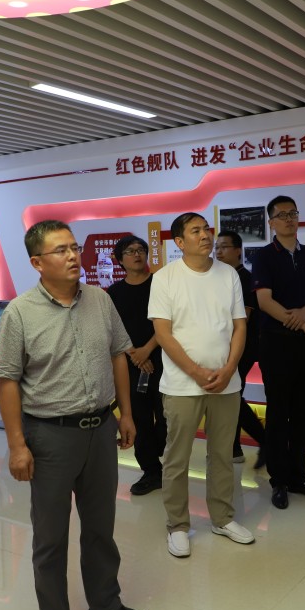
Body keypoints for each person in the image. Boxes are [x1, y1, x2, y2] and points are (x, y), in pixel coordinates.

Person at [0, 220, 150, 610]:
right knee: (51, 535)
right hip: (50, 436)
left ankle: (105, 605)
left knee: (100, 527)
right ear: (37, 262)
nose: (73, 256)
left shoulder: (100, 300)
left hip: (100, 430)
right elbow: (7, 380)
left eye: (75, 247)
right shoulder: (20, 312)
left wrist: (126, 413)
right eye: (61, 250)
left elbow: (118, 355)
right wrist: (17, 446)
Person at [148, 212, 254, 558]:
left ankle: (222, 518)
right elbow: (163, 333)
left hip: (226, 382)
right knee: (176, 458)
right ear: (180, 242)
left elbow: (240, 326)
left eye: (206, 229)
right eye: (195, 231)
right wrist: (195, 371)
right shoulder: (165, 278)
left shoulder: (229, 274)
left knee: (222, 455)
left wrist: (229, 368)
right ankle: (178, 525)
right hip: (181, 385)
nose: (205, 235)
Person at [251, 195, 305, 510]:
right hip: (276, 342)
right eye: (281, 215)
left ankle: (299, 476)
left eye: (293, 213)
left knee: (302, 414)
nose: (288, 219)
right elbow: (264, 301)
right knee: (278, 413)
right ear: (271, 222)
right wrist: (301, 323)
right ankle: (279, 480)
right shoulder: (264, 256)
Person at [107, 234, 167, 496]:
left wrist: (147, 350)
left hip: (163, 359)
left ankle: (167, 462)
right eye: (130, 251)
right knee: (139, 419)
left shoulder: (160, 284)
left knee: (167, 418)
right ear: (120, 259)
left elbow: (169, 322)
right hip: (130, 365)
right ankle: (151, 471)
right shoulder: (114, 292)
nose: (137, 254)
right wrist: (135, 355)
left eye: (141, 249)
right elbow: (113, 330)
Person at [214, 230, 266, 468]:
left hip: (241, 348)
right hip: (225, 348)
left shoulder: (244, 278)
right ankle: (234, 447)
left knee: (232, 395)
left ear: (238, 250)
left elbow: (243, 318)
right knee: (230, 395)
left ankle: (264, 440)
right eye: (217, 247)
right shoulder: (221, 278)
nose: (219, 252)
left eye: (224, 247)